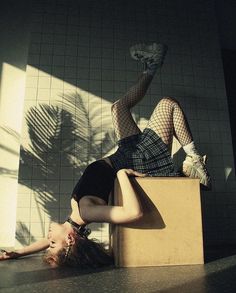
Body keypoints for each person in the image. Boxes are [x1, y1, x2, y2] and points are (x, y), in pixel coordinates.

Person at [0, 43, 211, 268]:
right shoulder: (88, 211)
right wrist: (122, 174)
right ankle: (195, 159)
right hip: (139, 158)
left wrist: (18, 252)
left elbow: (47, 241)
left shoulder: (76, 216)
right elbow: (133, 213)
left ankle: (151, 66)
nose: (48, 239)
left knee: (118, 107)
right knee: (168, 104)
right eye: (53, 243)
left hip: (126, 152)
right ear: (70, 238)